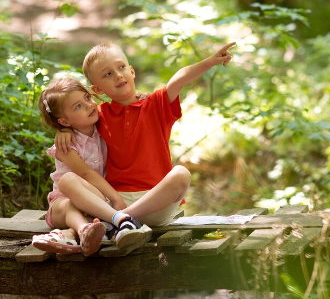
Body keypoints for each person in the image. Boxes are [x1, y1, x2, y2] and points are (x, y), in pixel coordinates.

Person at [56, 41, 235, 228]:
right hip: (116, 199)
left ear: (131, 71)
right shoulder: (99, 115)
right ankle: (118, 221)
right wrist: (63, 131)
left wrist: (210, 61)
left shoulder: (156, 104)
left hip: (155, 202)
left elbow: (179, 79)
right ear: (98, 89)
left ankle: (119, 219)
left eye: (121, 67)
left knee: (181, 174)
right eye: (108, 74)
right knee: (68, 180)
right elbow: (76, 122)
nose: (118, 75)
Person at [32, 77, 151, 257]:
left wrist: (137, 99)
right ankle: (99, 225)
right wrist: (115, 198)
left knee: (83, 206)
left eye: (87, 98)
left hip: (96, 202)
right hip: (63, 206)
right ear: (64, 121)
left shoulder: (104, 126)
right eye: (78, 106)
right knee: (68, 182)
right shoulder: (66, 146)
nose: (89, 105)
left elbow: (123, 111)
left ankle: (72, 234)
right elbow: (86, 173)